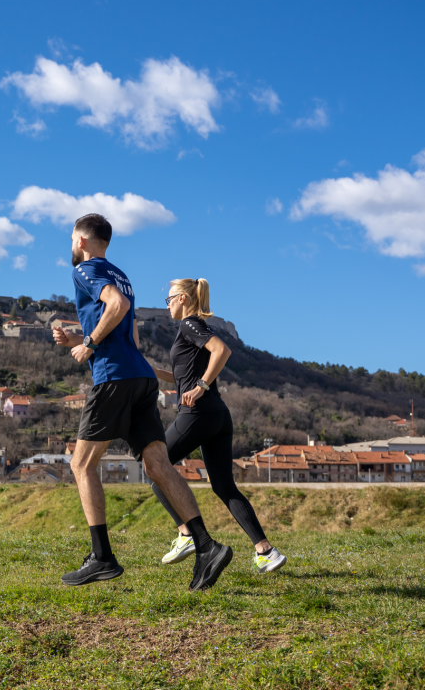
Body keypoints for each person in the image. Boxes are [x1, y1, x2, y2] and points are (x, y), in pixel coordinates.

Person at [53, 214, 233, 591]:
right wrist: (79, 338)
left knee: (81, 464)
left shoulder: (85, 270)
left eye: (71, 239)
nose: (71, 245)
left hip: (114, 378)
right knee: (158, 465)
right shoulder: (121, 275)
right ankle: (206, 547)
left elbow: (115, 306)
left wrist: (89, 344)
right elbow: (128, 335)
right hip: (141, 377)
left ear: (81, 241)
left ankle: (102, 557)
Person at [150, 279, 287, 574]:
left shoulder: (189, 324)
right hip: (218, 415)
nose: (167, 305)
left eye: (170, 299)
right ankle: (266, 552)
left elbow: (221, 350)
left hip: (198, 412)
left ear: (183, 298)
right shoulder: (192, 329)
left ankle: (187, 534)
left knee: (156, 468)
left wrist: (200, 386)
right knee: (224, 486)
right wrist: (155, 372)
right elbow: (183, 377)